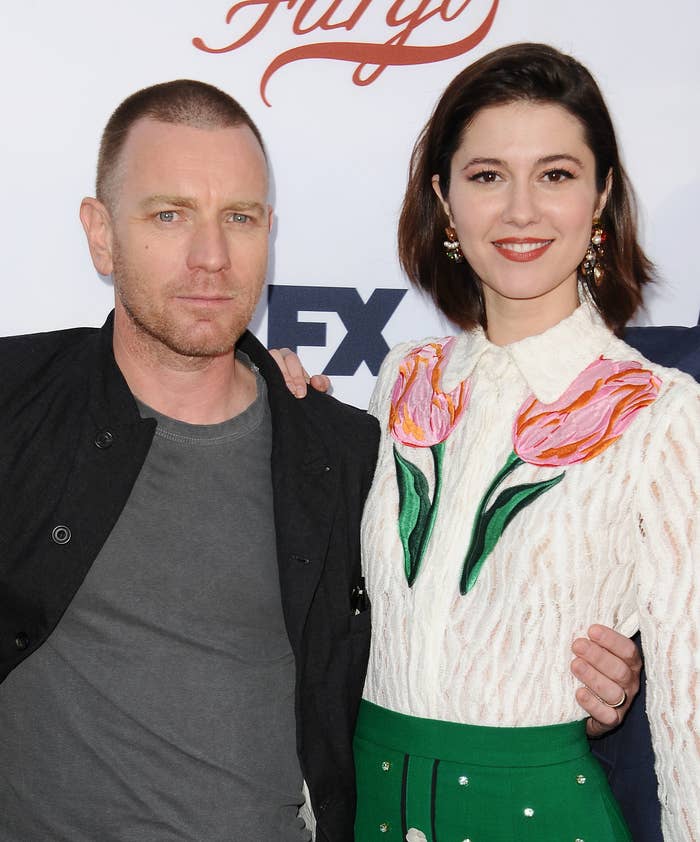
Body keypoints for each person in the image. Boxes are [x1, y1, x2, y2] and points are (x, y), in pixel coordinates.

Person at [0, 79, 641, 842]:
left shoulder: (345, 451)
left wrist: (593, 682)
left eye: (238, 218)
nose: (210, 257)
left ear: (270, 231)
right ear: (101, 234)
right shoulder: (16, 406)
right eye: (169, 215)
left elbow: (434, 636)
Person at [276, 44, 700, 841]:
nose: (520, 211)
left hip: (541, 815)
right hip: (364, 804)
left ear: (602, 194)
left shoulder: (664, 415)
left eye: (557, 174)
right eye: (486, 176)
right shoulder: (403, 379)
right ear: (443, 198)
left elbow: (693, 717)